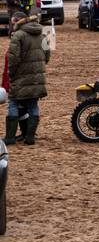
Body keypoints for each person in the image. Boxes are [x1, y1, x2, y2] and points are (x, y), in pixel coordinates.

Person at [5, 11, 49, 145]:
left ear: (18, 21)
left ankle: (10, 137)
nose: (12, 26)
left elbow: (13, 59)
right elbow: (47, 56)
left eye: (13, 23)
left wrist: (10, 74)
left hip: (20, 77)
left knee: (13, 103)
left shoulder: (18, 36)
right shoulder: (42, 34)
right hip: (37, 78)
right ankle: (30, 138)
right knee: (33, 105)